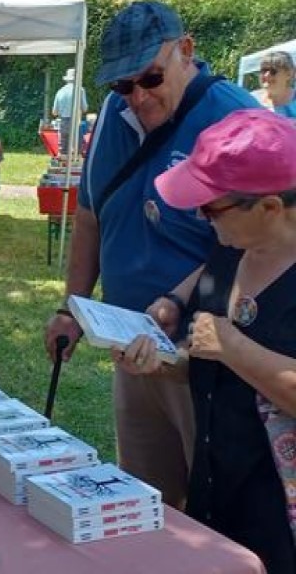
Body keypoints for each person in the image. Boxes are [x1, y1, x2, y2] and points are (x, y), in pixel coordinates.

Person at [43, 0, 260, 508]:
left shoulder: (234, 118)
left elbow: (262, 245)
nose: (136, 97)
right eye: (121, 85)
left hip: (212, 358)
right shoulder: (111, 121)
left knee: (216, 509)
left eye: (151, 78)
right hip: (133, 347)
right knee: (145, 498)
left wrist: (176, 308)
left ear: (186, 51)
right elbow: (92, 216)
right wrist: (71, 307)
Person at [116, 109, 296, 573]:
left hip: (279, 526)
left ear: (271, 208)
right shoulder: (230, 252)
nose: (199, 215)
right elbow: (210, 365)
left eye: (212, 206)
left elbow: (228, 351)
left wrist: (233, 345)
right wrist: (162, 362)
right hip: (217, 500)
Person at [51, 68, 89, 154]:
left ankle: (63, 166)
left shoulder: (60, 91)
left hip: (63, 122)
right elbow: (85, 108)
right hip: (75, 122)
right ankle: (75, 166)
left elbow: (54, 112)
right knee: (77, 150)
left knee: (63, 150)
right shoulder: (80, 90)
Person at [253, 51, 296, 118]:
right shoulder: (252, 101)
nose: (266, 75)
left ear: (289, 74)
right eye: (264, 70)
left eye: (273, 71)